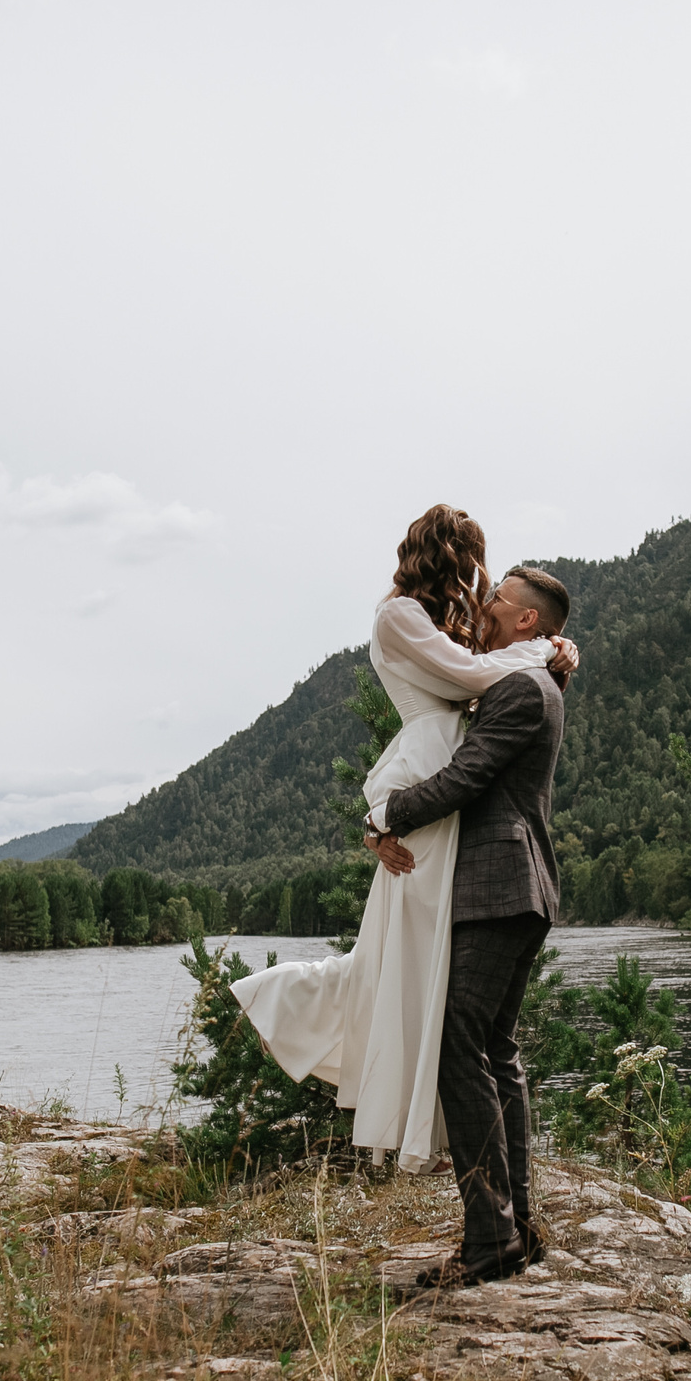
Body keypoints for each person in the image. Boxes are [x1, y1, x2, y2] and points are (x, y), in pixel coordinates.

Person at [230, 507, 576, 1173]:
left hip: (445, 796)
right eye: (477, 565)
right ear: (449, 557)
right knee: (401, 958)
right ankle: (292, 1008)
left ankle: (479, 1182)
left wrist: (555, 648)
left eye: (498, 588)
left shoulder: (457, 630)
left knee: (427, 978)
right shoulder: (400, 618)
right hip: (428, 779)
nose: (485, 586)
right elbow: (478, 678)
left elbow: (489, 680)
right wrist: (381, 819)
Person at [366, 563, 571, 1288]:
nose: (483, 605)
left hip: (499, 885)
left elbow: (465, 778)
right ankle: (515, 1225)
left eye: (497, 599)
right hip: (519, 889)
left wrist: (382, 815)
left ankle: (491, 1241)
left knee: (460, 1042)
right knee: (495, 1047)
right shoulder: (530, 676)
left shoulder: (520, 687)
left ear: (526, 621)